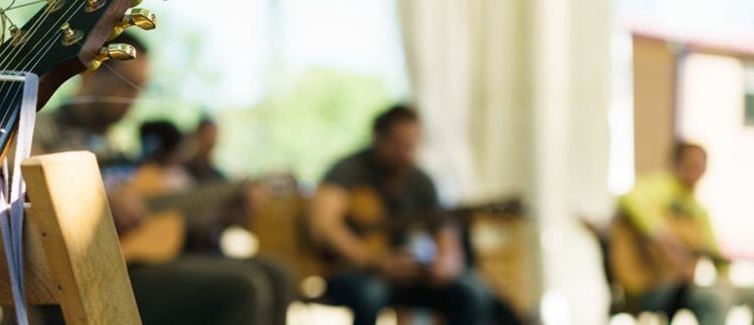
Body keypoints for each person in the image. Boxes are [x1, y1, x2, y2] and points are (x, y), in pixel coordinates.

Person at [34, 34, 290, 325]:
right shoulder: (43, 128)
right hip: (73, 279)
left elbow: (160, 224)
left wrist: (226, 213)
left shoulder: (123, 151)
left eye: (140, 88)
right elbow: (21, 177)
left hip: (131, 265)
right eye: (127, 84)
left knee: (277, 273)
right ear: (89, 74)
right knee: (244, 287)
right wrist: (97, 200)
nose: (133, 99)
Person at [311, 105, 493, 325]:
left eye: (412, 145)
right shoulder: (348, 169)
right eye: (398, 144)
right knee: (370, 294)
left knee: (473, 293)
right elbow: (324, 226)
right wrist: (373, 261)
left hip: (407, 274)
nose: (406, 152)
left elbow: (445, 231)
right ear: (378, 138)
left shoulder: (420, 180)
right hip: (356, 271)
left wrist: (445, 262)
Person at [617, 142, 729, 324]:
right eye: (690, 164)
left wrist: (726, 278)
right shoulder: (660, 186)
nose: (695, 171)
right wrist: (664, 238)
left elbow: (716, 255)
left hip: (677, 286)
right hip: (647, 283)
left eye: (700, 166)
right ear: (676, 163)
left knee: (721, 295)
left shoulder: (699, 212)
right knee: (711, 301)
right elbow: (629, 198)